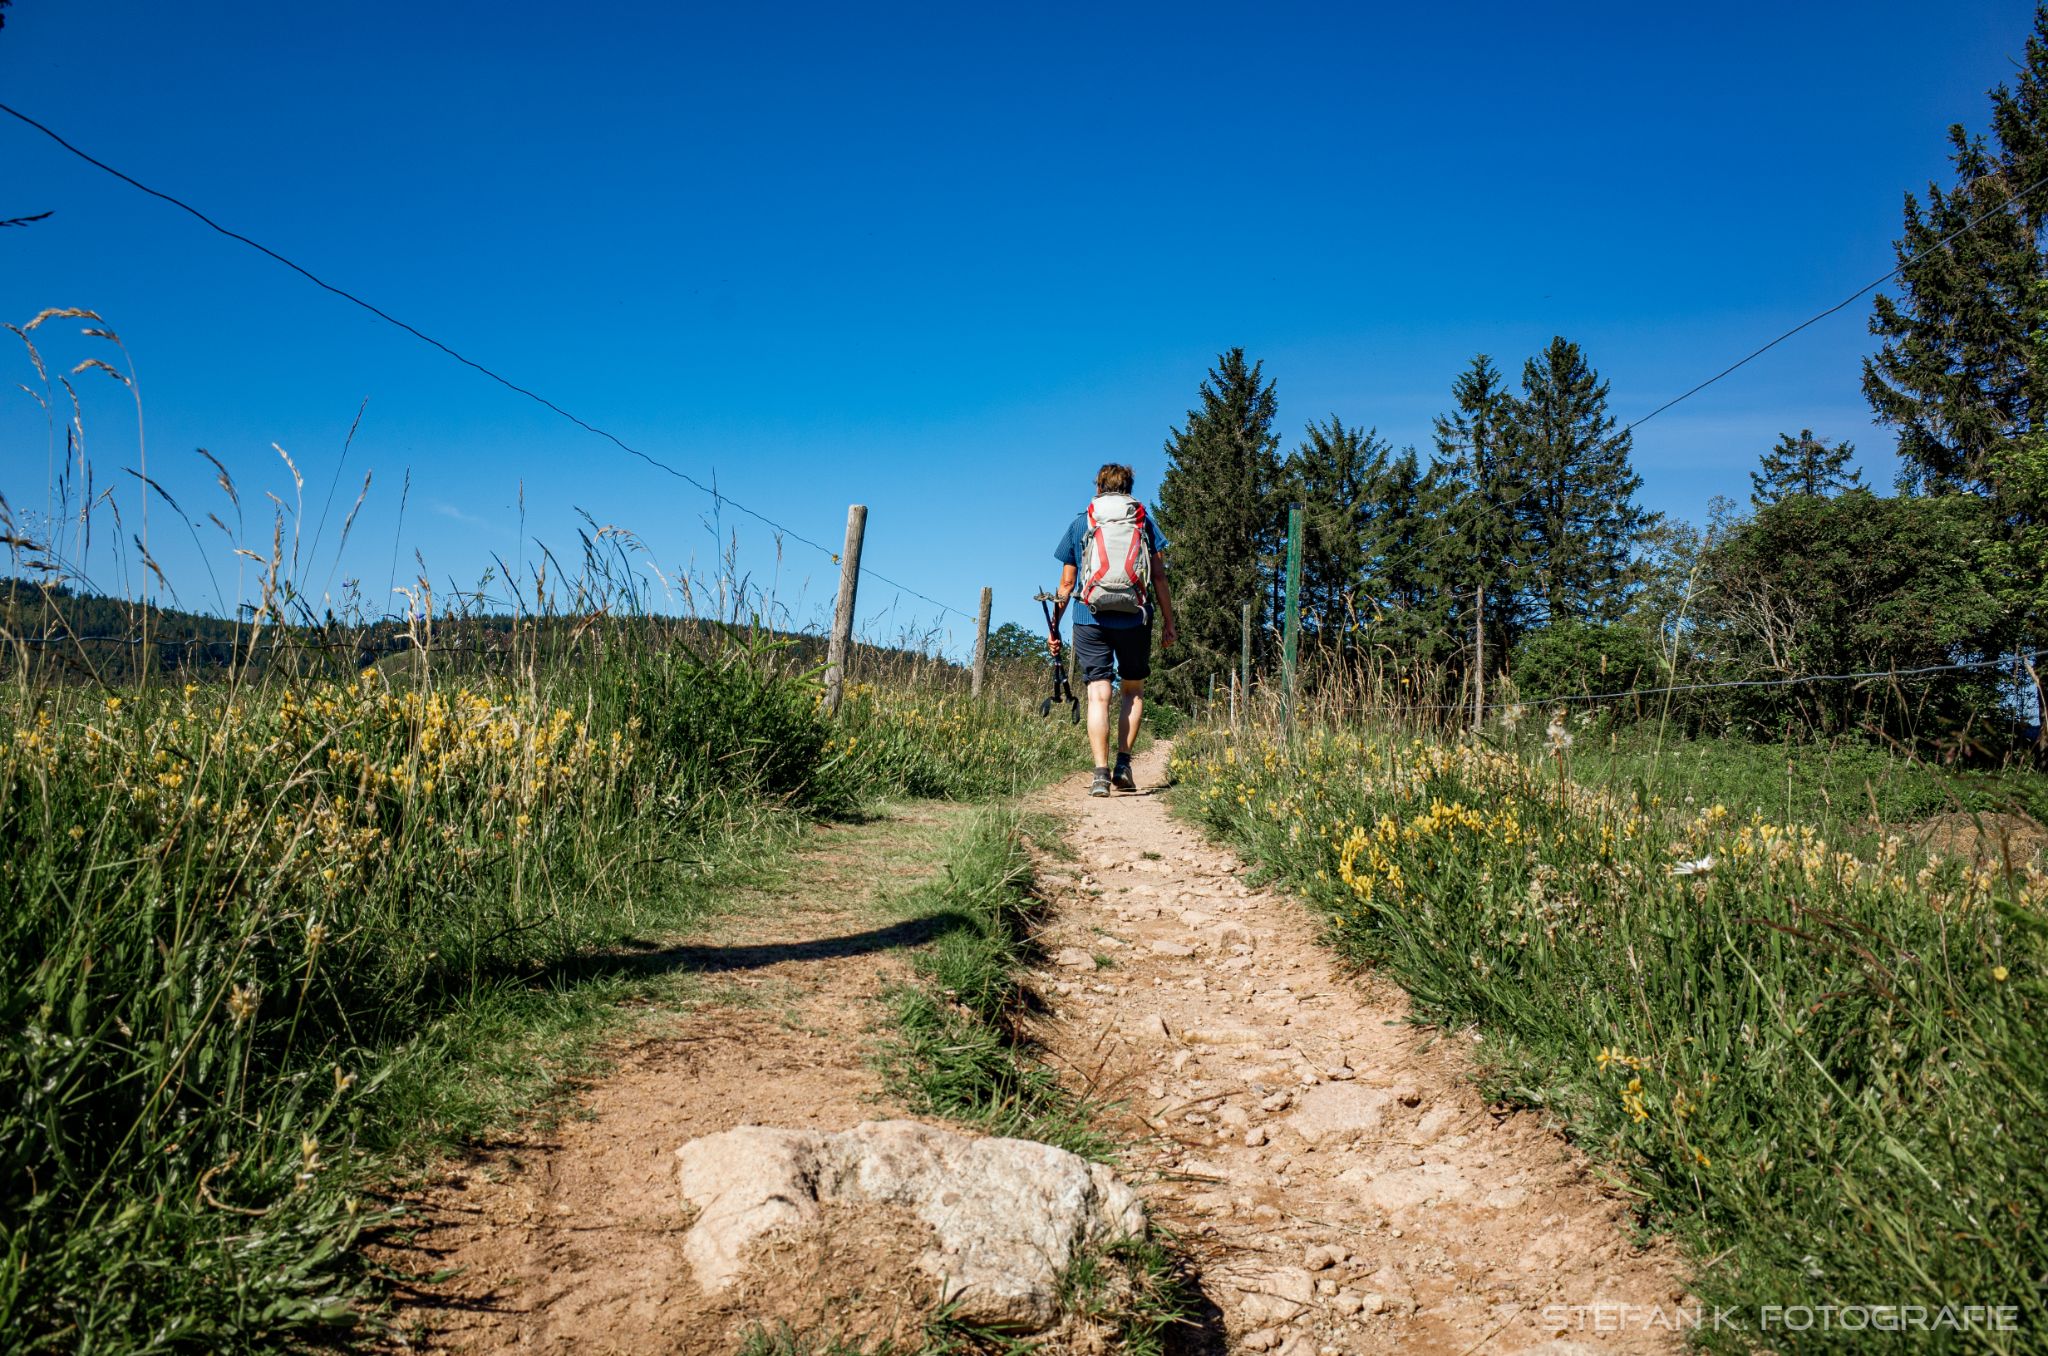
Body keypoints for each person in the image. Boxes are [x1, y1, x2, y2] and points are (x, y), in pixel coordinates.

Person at [1049, 464, 1177, 796]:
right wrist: (1168, 622)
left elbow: (1066, 584)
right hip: (1135, 617)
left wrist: (1055, 628)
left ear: (1099, 487)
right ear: (1129, 488)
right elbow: (1159, 576)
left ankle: (1100, 775)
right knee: (1132, 691)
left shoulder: (1082, 523)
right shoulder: (1144, 523)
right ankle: (1123, 764)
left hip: (1089, 617)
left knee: (1098, 694)